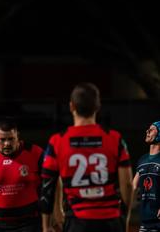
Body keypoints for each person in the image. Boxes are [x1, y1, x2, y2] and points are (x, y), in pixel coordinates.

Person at [40, 83, 133, 232]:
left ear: (71, 107)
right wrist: (125, 218)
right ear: (98, 106)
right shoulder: (115, 138)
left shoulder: (57, 141)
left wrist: (46, 225)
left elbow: (47, 186)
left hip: (77, 221)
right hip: (110, 220)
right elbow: (127, 185)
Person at [132, 120, 160, 232]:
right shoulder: (142, 160)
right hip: (144, 220)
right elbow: (133, 186)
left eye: (152, 129)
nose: (147, 131)